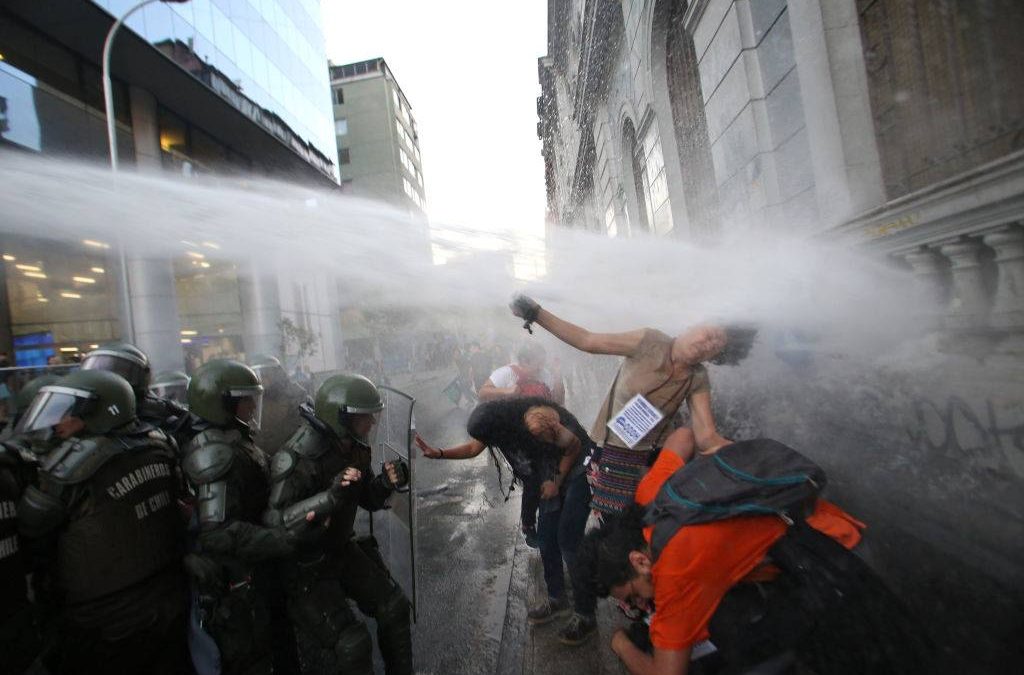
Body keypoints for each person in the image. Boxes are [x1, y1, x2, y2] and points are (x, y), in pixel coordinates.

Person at [581, 429, 932, 675]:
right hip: (824, 525)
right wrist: (711, 438)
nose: (642, 604)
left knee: (884, 658)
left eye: (634, 594)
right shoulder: (649, 498)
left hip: (830, 565)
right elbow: (683, 436)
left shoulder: (675, 573)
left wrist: (620, 645)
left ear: (640, 560)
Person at [509, 295, 755, 518]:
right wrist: (536, 313)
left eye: (717, 346)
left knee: (631, 528)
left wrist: (754, 460)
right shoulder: (649, 341)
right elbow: (588, 340)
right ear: (694, 325)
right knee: (592, 526)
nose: (708, 345)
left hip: (649, 460)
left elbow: (706, 435)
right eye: (709, 335)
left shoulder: (698, 377)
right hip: (607, 450)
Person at [16, 369, 187, 675]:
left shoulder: (70, 470)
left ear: (101, 413)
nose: (58, 423)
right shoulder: (159, 445)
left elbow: (30, 540)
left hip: (103, 623)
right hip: (168, 600)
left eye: (69, 414)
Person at [416, 396, 598, 645]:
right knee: (547, 539)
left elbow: (573, 445)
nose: (486, 443)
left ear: (498, 428)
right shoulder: (500, 429)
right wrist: (438, 453)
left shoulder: (535, 421)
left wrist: (556, 481)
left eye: (487, 438)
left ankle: (586, 614)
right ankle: (557, 599)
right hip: (550, 472)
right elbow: (472, 449)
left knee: (567, 540)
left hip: (577, 467)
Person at [265, 373, 412, 675]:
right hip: (306, 564)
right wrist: (329, 499)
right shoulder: (296, 457)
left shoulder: (354, 446)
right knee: (352, 644)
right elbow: (277, 525)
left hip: (340, 548)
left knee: (394, 607)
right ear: (341, 418)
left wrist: (386, 482)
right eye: (364, 417)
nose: (371, 423)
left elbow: (367, 498)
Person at [181, 359, 298, 675]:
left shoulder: (232, 439)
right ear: (223, 404)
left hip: (257, 570)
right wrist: (282, 539)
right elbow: (218, 532)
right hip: (239, 580)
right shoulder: (214, 453)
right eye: (246, 400)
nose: (253, 406)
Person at [478, 342, 565, 550]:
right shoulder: (506, 373)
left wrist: (558, 376)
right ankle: (528, 526)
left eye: (543, 361)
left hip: (539, 435)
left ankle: (547, 521)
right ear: (525, 361)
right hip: (512, 438)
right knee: (532, 478)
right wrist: (508, 391)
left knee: (548, 474)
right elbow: (483, 392)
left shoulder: (545, 374)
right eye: (538, 362)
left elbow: (558, 402)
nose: (541, 366)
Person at [80, 342, 193, 449]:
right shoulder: (84, 410)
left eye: (119, 371)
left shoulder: (157, 411)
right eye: (97, 369)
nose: (104, 379)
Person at [248, 354, 309, 456]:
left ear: (276, 373)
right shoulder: (254, 397)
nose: (262, 379)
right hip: (261, 455)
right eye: (258, 374)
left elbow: (301, 428)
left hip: (290, 455)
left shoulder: (296, 394)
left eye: (265, 374)